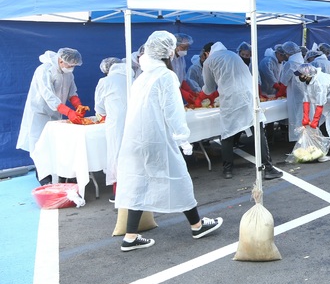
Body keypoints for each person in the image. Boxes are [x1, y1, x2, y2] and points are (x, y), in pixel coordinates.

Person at [115, 31, 223, 252]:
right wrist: (183, 139)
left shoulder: (142, 77)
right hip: (156, 139)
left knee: (139, 183)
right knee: (180, 178)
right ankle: (197, 225)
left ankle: (131, 235)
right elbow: (173, 112)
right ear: (167, 51)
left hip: (135, 140)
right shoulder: (165, 76)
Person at [196, 42, 282, 180]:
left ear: (207, 52)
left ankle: (228, 170)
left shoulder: (209, 61)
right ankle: (268, 167)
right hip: (249, 96)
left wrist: (200, 97)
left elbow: (209, 88)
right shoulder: (233, 55)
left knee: (227, 134)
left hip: (230, 98)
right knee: (258, 132)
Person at [17, 47, 86, 184]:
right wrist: (68, 112)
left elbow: (72, 92)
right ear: (61, 60)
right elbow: (48, 96)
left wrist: (78, 105)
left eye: (74, 66)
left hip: (56, 113)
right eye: (70, 65)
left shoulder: (69, 74)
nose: (71, 68)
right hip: (39, 113)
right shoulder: (44, 70)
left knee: (56, 145)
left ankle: (61, 175)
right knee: (40, 146)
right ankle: (44, 178)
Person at [94, 57, 127, 201]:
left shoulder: (105, 82)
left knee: (117, 155)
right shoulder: (133, 78)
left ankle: (119, 192)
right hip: (136, 121)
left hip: (116, 124)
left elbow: (100, 108)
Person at [278, 41, 306, 142]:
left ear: (287, 53)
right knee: (304, 118)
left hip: (295, 96)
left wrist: (278, 95)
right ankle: (304, 141)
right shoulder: (302, 62)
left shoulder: (290, 64)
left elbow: (284, 83)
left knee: (297, 118)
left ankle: (299, 143)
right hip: (305, 95)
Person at [172, 33, 197, 103]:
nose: (185, 50)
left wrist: (190, 90)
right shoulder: (168, 59)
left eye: (187, 48)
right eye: (183, 48)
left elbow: (183, 78)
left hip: (176, 94)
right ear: (175, 45)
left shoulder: (181, 58)